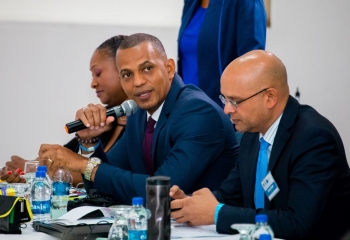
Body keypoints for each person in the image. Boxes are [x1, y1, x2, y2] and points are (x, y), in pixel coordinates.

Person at [38, 33, 240, 205]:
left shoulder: (198, 112)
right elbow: (108, 179)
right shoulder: (138, 113)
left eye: (147, 68)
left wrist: (83, 164)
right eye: (127, 74)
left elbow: (159, 191)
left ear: (169, 68)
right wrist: (89, 142)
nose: (138, 82)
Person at [170, 50, 350, 240]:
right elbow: (230, 196)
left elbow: (297, 223)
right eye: (225, 99)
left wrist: (216, 214)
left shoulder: (314, 138)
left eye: (235, 101)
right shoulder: (252, 132)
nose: (226, 109)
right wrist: (190, 206)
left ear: (270, 98)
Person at [0, 35, 128, 187]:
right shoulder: (102, 117)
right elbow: (61, 159)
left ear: (123, 68)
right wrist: (31, 169)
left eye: (98, 73)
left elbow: (112, 176)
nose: (93, 84)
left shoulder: (143, 122)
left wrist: (34, 170)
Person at [178, 0, 266, 106]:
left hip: (222, 111)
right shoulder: (191, 3)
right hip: (187, 107)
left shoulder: (245, 2)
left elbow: (252, 65)